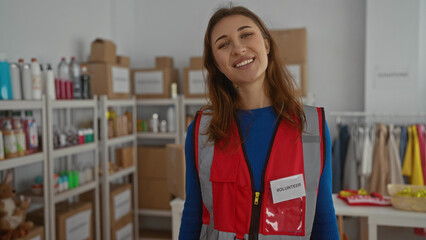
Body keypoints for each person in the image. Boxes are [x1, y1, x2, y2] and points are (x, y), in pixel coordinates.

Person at [179, 5, 339, 240]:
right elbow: (193, 213)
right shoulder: (202, 131)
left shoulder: (311, 127)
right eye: (224, 44)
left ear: (266, 44)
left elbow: (322, 216)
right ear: (216, 64)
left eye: (246, 35)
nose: (238, 48)